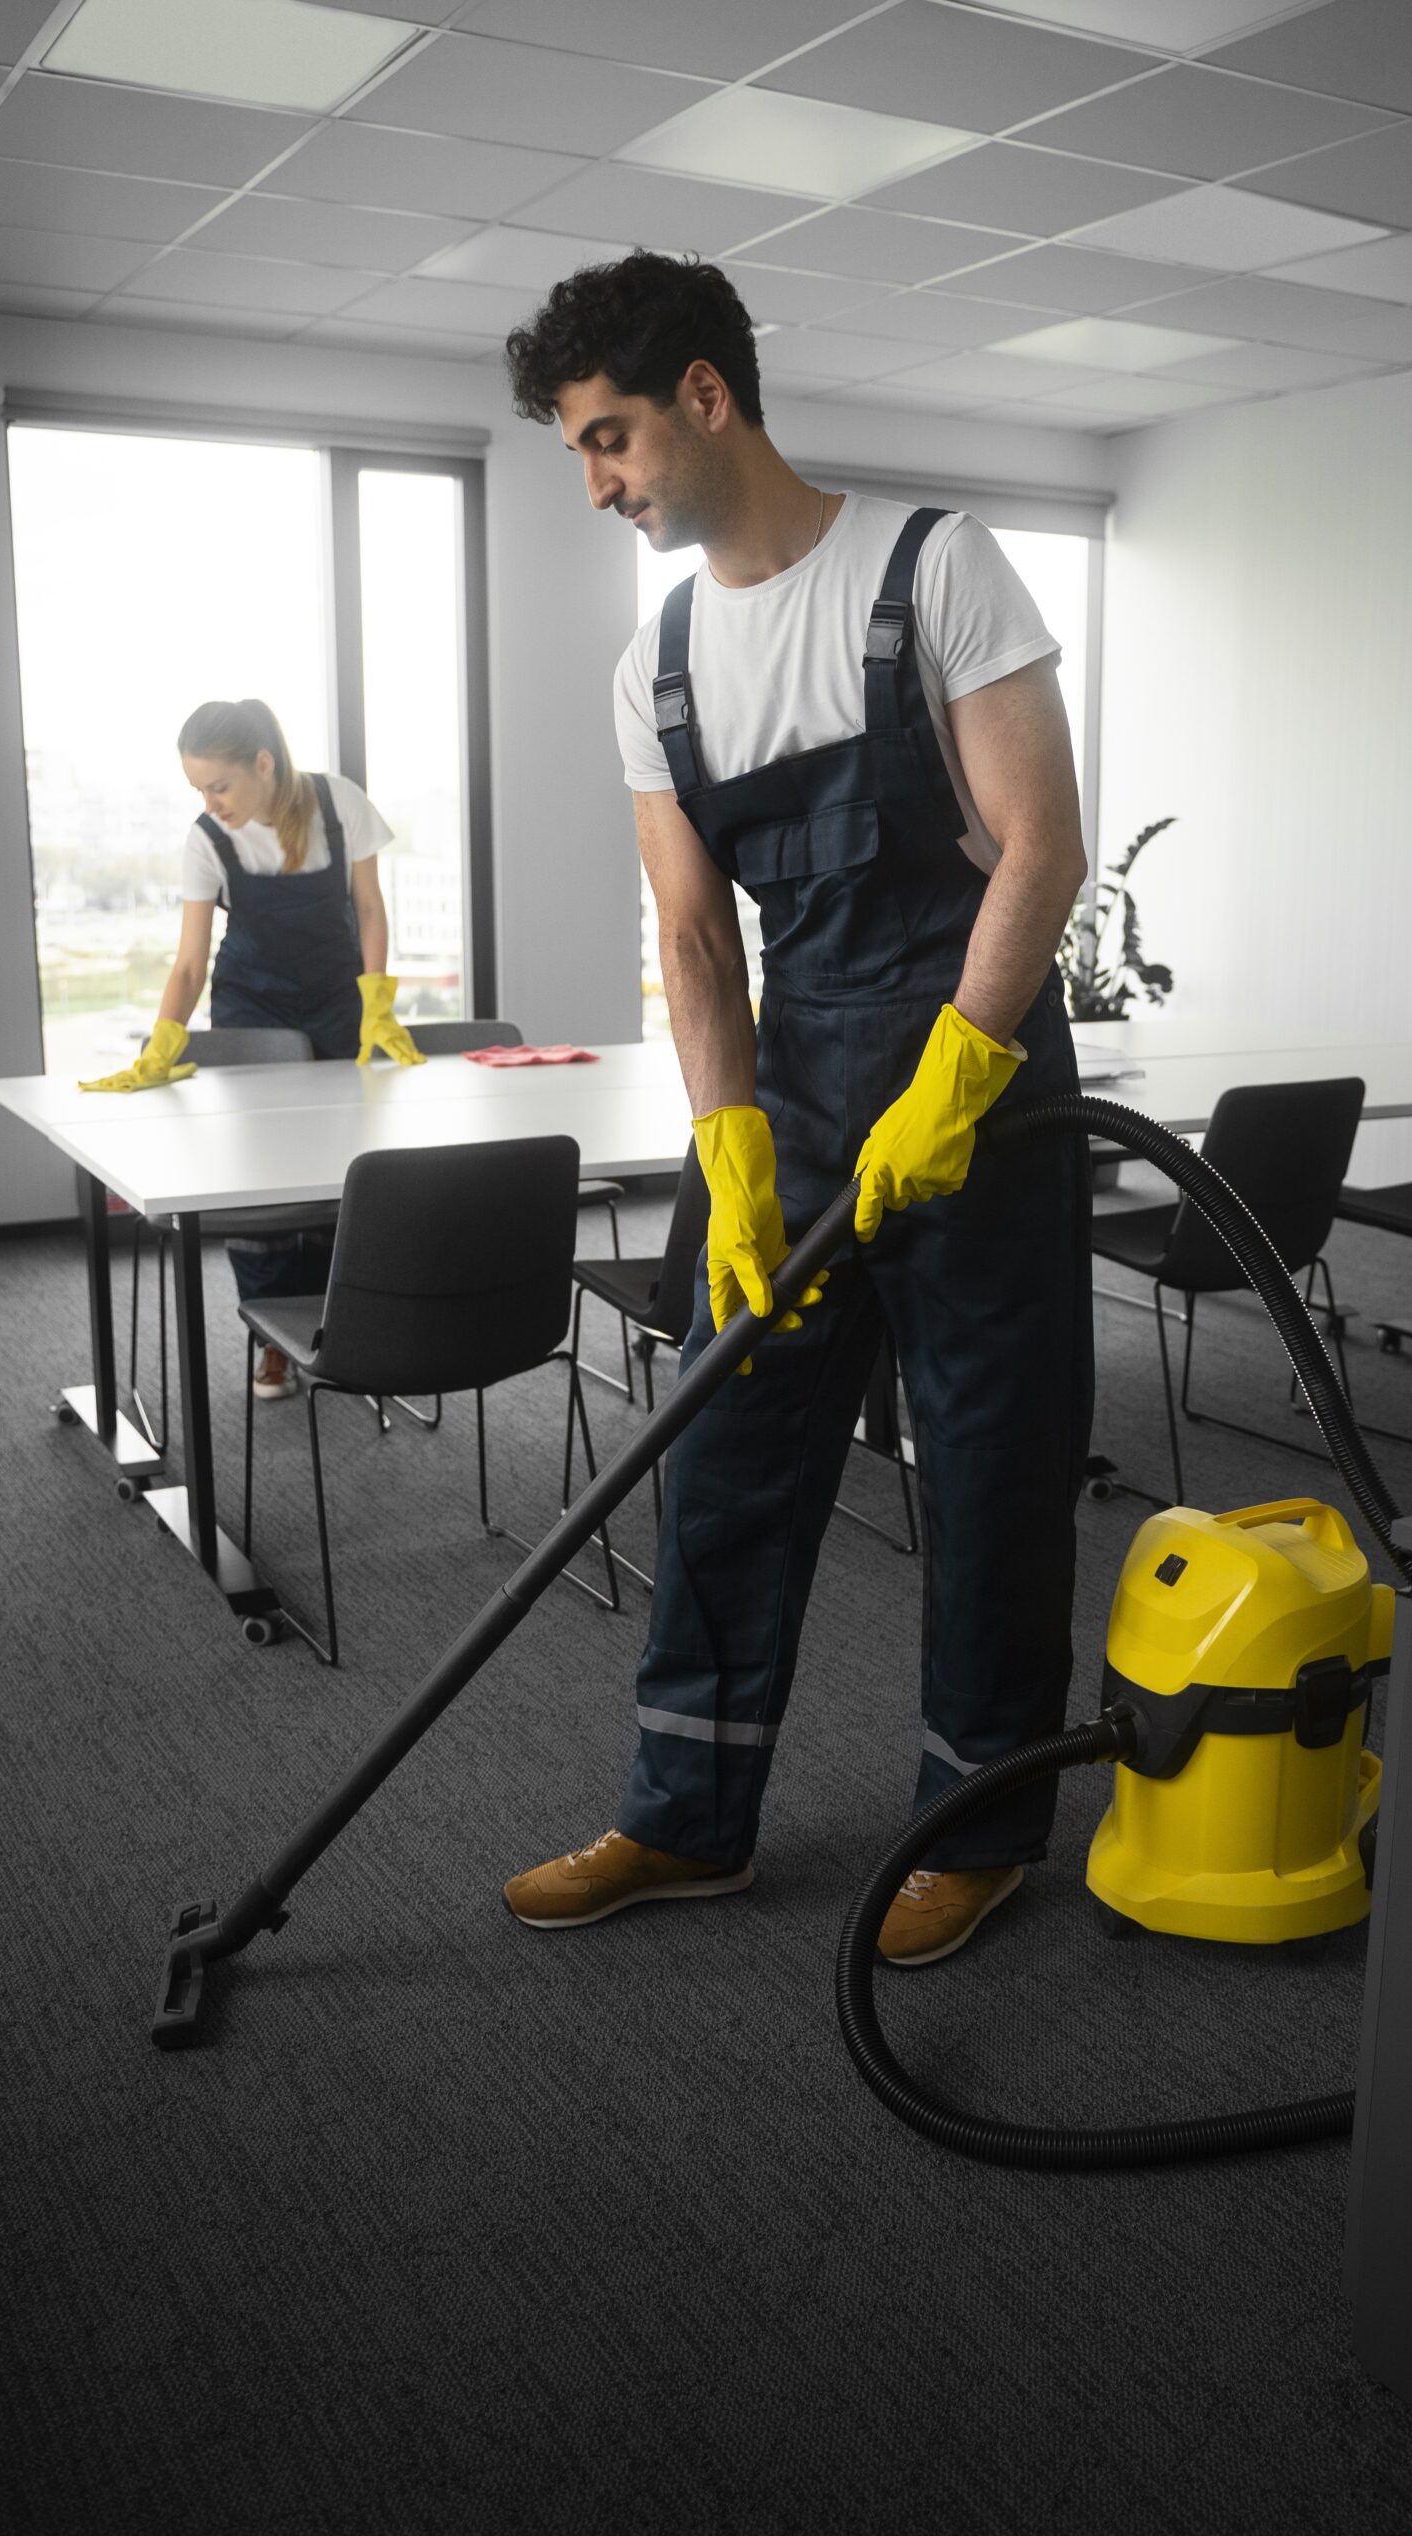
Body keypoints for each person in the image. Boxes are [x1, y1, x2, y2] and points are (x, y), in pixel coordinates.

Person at [501, 253, 1093, 1967]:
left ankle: (977, 1827)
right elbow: (691, 933)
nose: (599, 483)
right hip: (796, 1092)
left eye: (608, 438)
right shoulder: (660, 665)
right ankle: (684, 1819)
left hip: (975, 1084)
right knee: (729, 1457)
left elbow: (1038, 848)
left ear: (704, 396)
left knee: (987, 1462)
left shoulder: (935, 569)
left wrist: (960, 1076)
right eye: (577, 456)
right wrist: (732, 1145)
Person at [80, 697, 425, 1399]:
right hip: (249, 1006)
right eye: (198, 790)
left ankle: (333, 1325)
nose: (210, 802)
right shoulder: (207, 838)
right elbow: (188, 962)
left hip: (335, 1001)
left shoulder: (339, 805)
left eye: (219, 785)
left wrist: (376, 1003)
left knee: (338, 1171)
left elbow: (368, 908)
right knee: (256, 1172)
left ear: (263, 764)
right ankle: (271, 1338)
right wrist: (163, 1042)